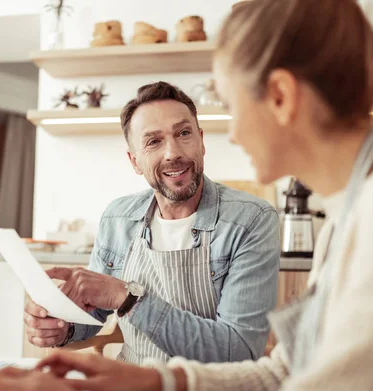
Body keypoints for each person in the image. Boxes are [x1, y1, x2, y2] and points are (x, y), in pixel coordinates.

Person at [0, 0, 373, 391]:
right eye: (154, 141)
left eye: (231, 107)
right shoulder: (352, 210)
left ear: (280, 97)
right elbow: (286, 372)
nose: (230, 132)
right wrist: (143, 379)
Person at [23, 81, 281, 365]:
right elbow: (94, 315)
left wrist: (128, 298)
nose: (173, 153)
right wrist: (62, 326)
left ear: (201, 142)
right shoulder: (118, 217)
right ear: (135, 161)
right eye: (153, 141)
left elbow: (238, 350)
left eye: (184, 133)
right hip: (129, 385)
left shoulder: (252, 220)